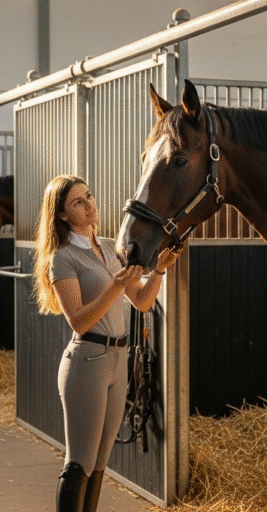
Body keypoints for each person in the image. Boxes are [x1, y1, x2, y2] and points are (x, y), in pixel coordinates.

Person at [33, 174, 178, 512]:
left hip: (117, 359)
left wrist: (158, 270)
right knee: (79, 461)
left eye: (89, 196)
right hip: (86, 361)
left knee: (100, 463)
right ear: (63, 216)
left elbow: (141, 301)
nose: (88, 205)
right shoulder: (63, 258)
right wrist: (113, 287)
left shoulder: (109, 246)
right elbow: (79, 321)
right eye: (77, 203)